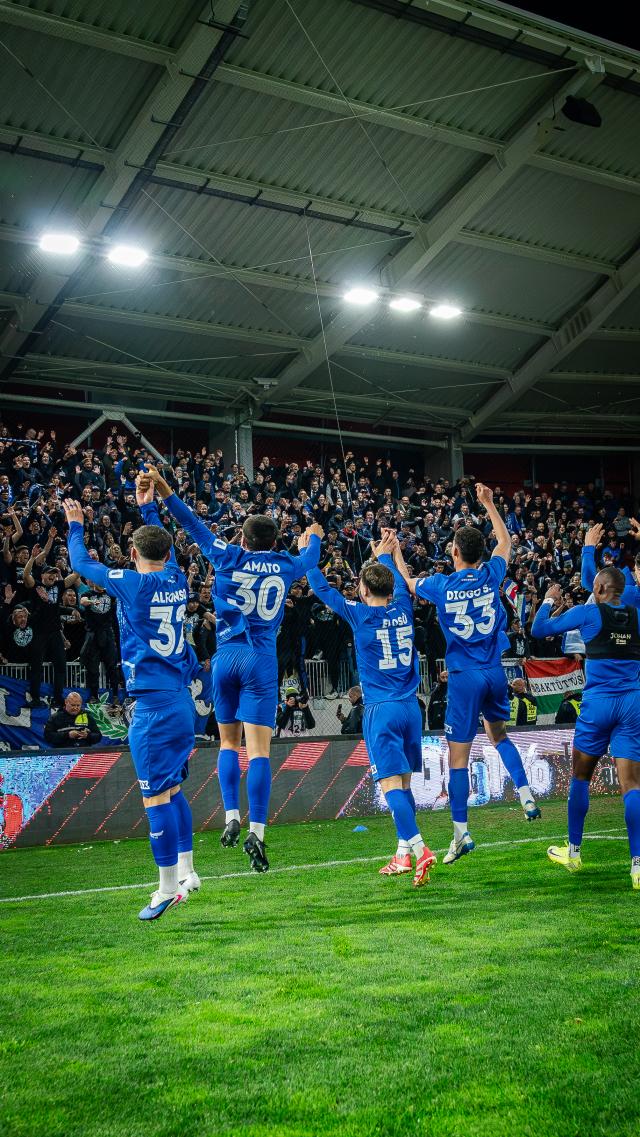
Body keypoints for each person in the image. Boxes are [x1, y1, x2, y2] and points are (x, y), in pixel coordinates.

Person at [142, 465, 323, 873]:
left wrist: (165, 490)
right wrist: (312, 536)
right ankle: (257, 830)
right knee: (259, 752)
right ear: (274, 541)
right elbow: (311, 558)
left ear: (242, 538)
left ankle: (230, 816)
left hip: (225, 657)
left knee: (228, 744)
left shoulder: (227, 554)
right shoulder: (285, 564)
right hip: (261, 660)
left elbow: (190, 523)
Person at [62, 482, 200, 922]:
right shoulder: (177, 577)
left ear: (134, 553)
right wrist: (149, 508)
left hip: (154, 708)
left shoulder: (132, 584)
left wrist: (75, 526)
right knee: (172, 790)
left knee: (155, 798)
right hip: (180, 701)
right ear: (167, 553)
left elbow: (81, 564)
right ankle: (188, 872)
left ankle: (166, 890)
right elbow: (162, 549)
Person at [391, 484, 541, 867]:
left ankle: (461, 833)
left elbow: (408, 584)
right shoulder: (491, 574)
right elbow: (505, 541)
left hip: (463, 676)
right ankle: (525, 793)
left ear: (454, 552)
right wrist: (489, 503)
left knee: (458, 759)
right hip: (494, 672)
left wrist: (396, 554)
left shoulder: (441, 585)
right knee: (499, 735)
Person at [305, 530, 436, 887]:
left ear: (363, 591)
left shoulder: (359, 614)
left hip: (381, 710)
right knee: (403, 784)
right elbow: (398, 584)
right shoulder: (403, 606)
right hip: (411, 708)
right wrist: (385, 556)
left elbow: (322, 589)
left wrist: (309, 552)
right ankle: (402, 854)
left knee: (391, 786)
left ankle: (421, 849)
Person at [532, 572, 640, 889]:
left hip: (598, 704)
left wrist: (549, 599)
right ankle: (638, 866)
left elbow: (539, 629)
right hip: (632, 703)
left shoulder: (588, 613)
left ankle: (574, 852)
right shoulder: (637, 615)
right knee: (632, 785)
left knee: (580, 776)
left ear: (600, 587)